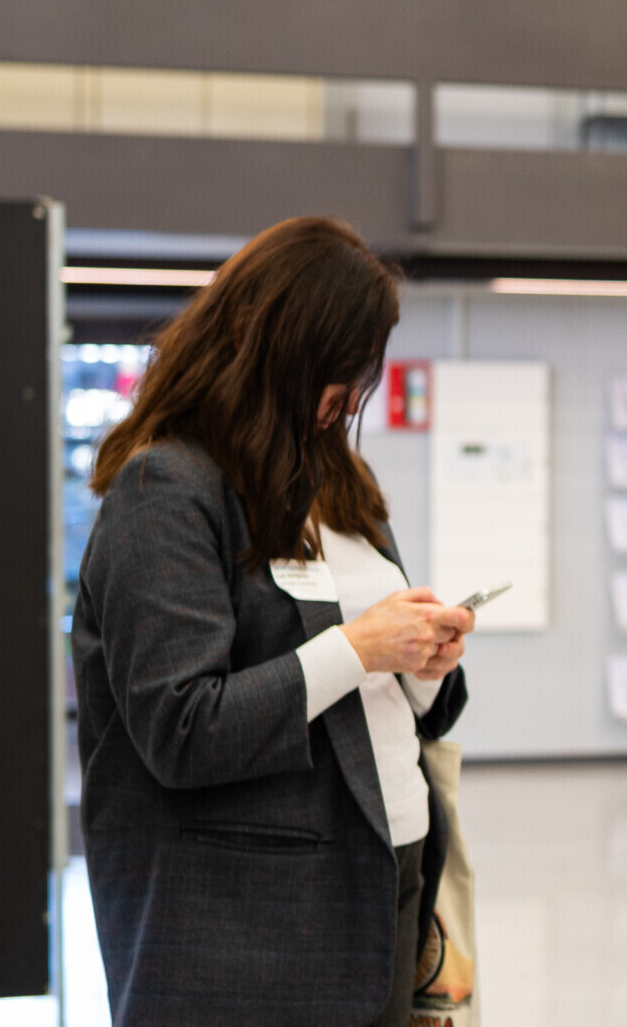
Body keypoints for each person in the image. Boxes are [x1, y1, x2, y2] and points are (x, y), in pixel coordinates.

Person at [74, 217, 478, 1026]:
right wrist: (358, 649)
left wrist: (419, 663)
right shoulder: (169, 490)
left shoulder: (335, 474)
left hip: (384, 874)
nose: (349, 399)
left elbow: (380, 688)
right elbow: (181, 728)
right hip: (244, 923)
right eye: (342, 371)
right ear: (280, 349)